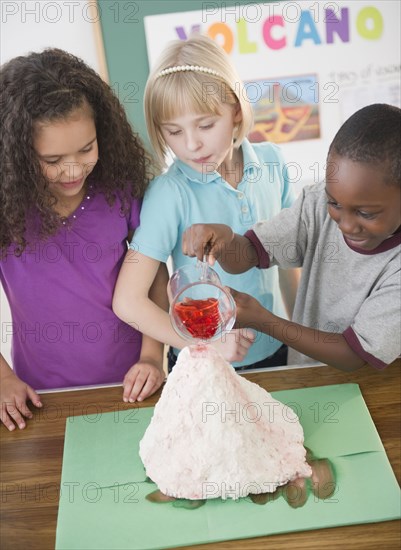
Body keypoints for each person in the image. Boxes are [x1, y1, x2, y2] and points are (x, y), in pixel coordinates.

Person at [0, 48, 167, 431]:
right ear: (17, 155)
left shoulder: (120, 193)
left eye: (87, 149)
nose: (74, 170)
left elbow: (155, 275)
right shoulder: (7, 212)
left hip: (132, 382)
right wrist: (4, 379)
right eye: (53, 160)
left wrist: (153, 356)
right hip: (39, 397)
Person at [113, 34, 300, 375]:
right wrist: (206, 345)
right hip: (203, 365)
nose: (192, 144)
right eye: (173, 131)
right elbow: (128, 301)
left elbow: (289, 261)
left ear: (235, 109)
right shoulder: (169, 193)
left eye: (206, 125)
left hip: (276, 353)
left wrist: (304, 338)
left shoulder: (273, 162)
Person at [182, 103, 401, 371]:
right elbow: (249, 253)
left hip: (374, 393)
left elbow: (354, 355)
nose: (345, 224)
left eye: (366, 213)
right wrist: (226, 239)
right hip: (307, 380)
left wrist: (263, 320)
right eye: (335, 204)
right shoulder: (316, 203)